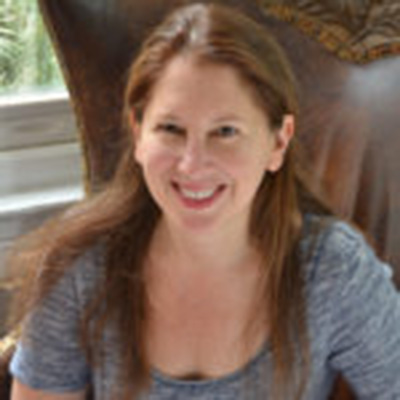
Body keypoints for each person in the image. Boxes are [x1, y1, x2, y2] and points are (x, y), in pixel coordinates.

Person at [7, 3, 400, 400]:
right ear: (138, 133)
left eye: (225, 131)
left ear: (278, 142)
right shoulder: (80, 268)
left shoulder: (332, 270)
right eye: (171, 129)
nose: (192, 164)